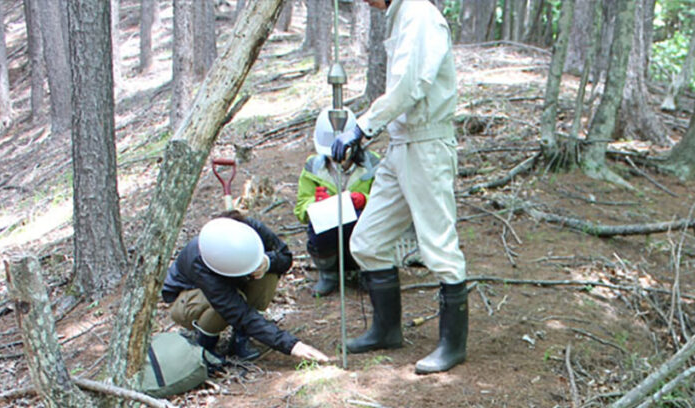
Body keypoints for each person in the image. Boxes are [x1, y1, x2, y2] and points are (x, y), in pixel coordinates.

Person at [332, 0, 467, 375]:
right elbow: (402, 96)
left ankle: (452, 346)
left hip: (427, 145)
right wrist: (366, 136)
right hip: (401, 144)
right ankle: (386, 330)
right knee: (368, 241)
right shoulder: (401, 15)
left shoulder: (419, 13)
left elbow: (409, 87)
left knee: (439, 245)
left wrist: (362, 127)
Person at [161, 212, 330, 365]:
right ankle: (206, 343)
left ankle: (241, 338)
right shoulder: (199, 258)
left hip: (231, 285)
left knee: (268, 275)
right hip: (186, 299)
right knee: (221, 306)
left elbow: (285, 257)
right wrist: (292, 345)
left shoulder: (251, 229)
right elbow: (236, 310)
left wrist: (268, 261)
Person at [294, 107, 380, 297]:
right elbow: (300, 207)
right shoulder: (313, 167)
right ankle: (329, 273)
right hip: (328, 234)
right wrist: (314, 204)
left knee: (363, 223)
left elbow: (387, 201)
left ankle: (364, 270)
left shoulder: (373, 164)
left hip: (363, 231)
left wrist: (364, 200)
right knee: (318, 227)